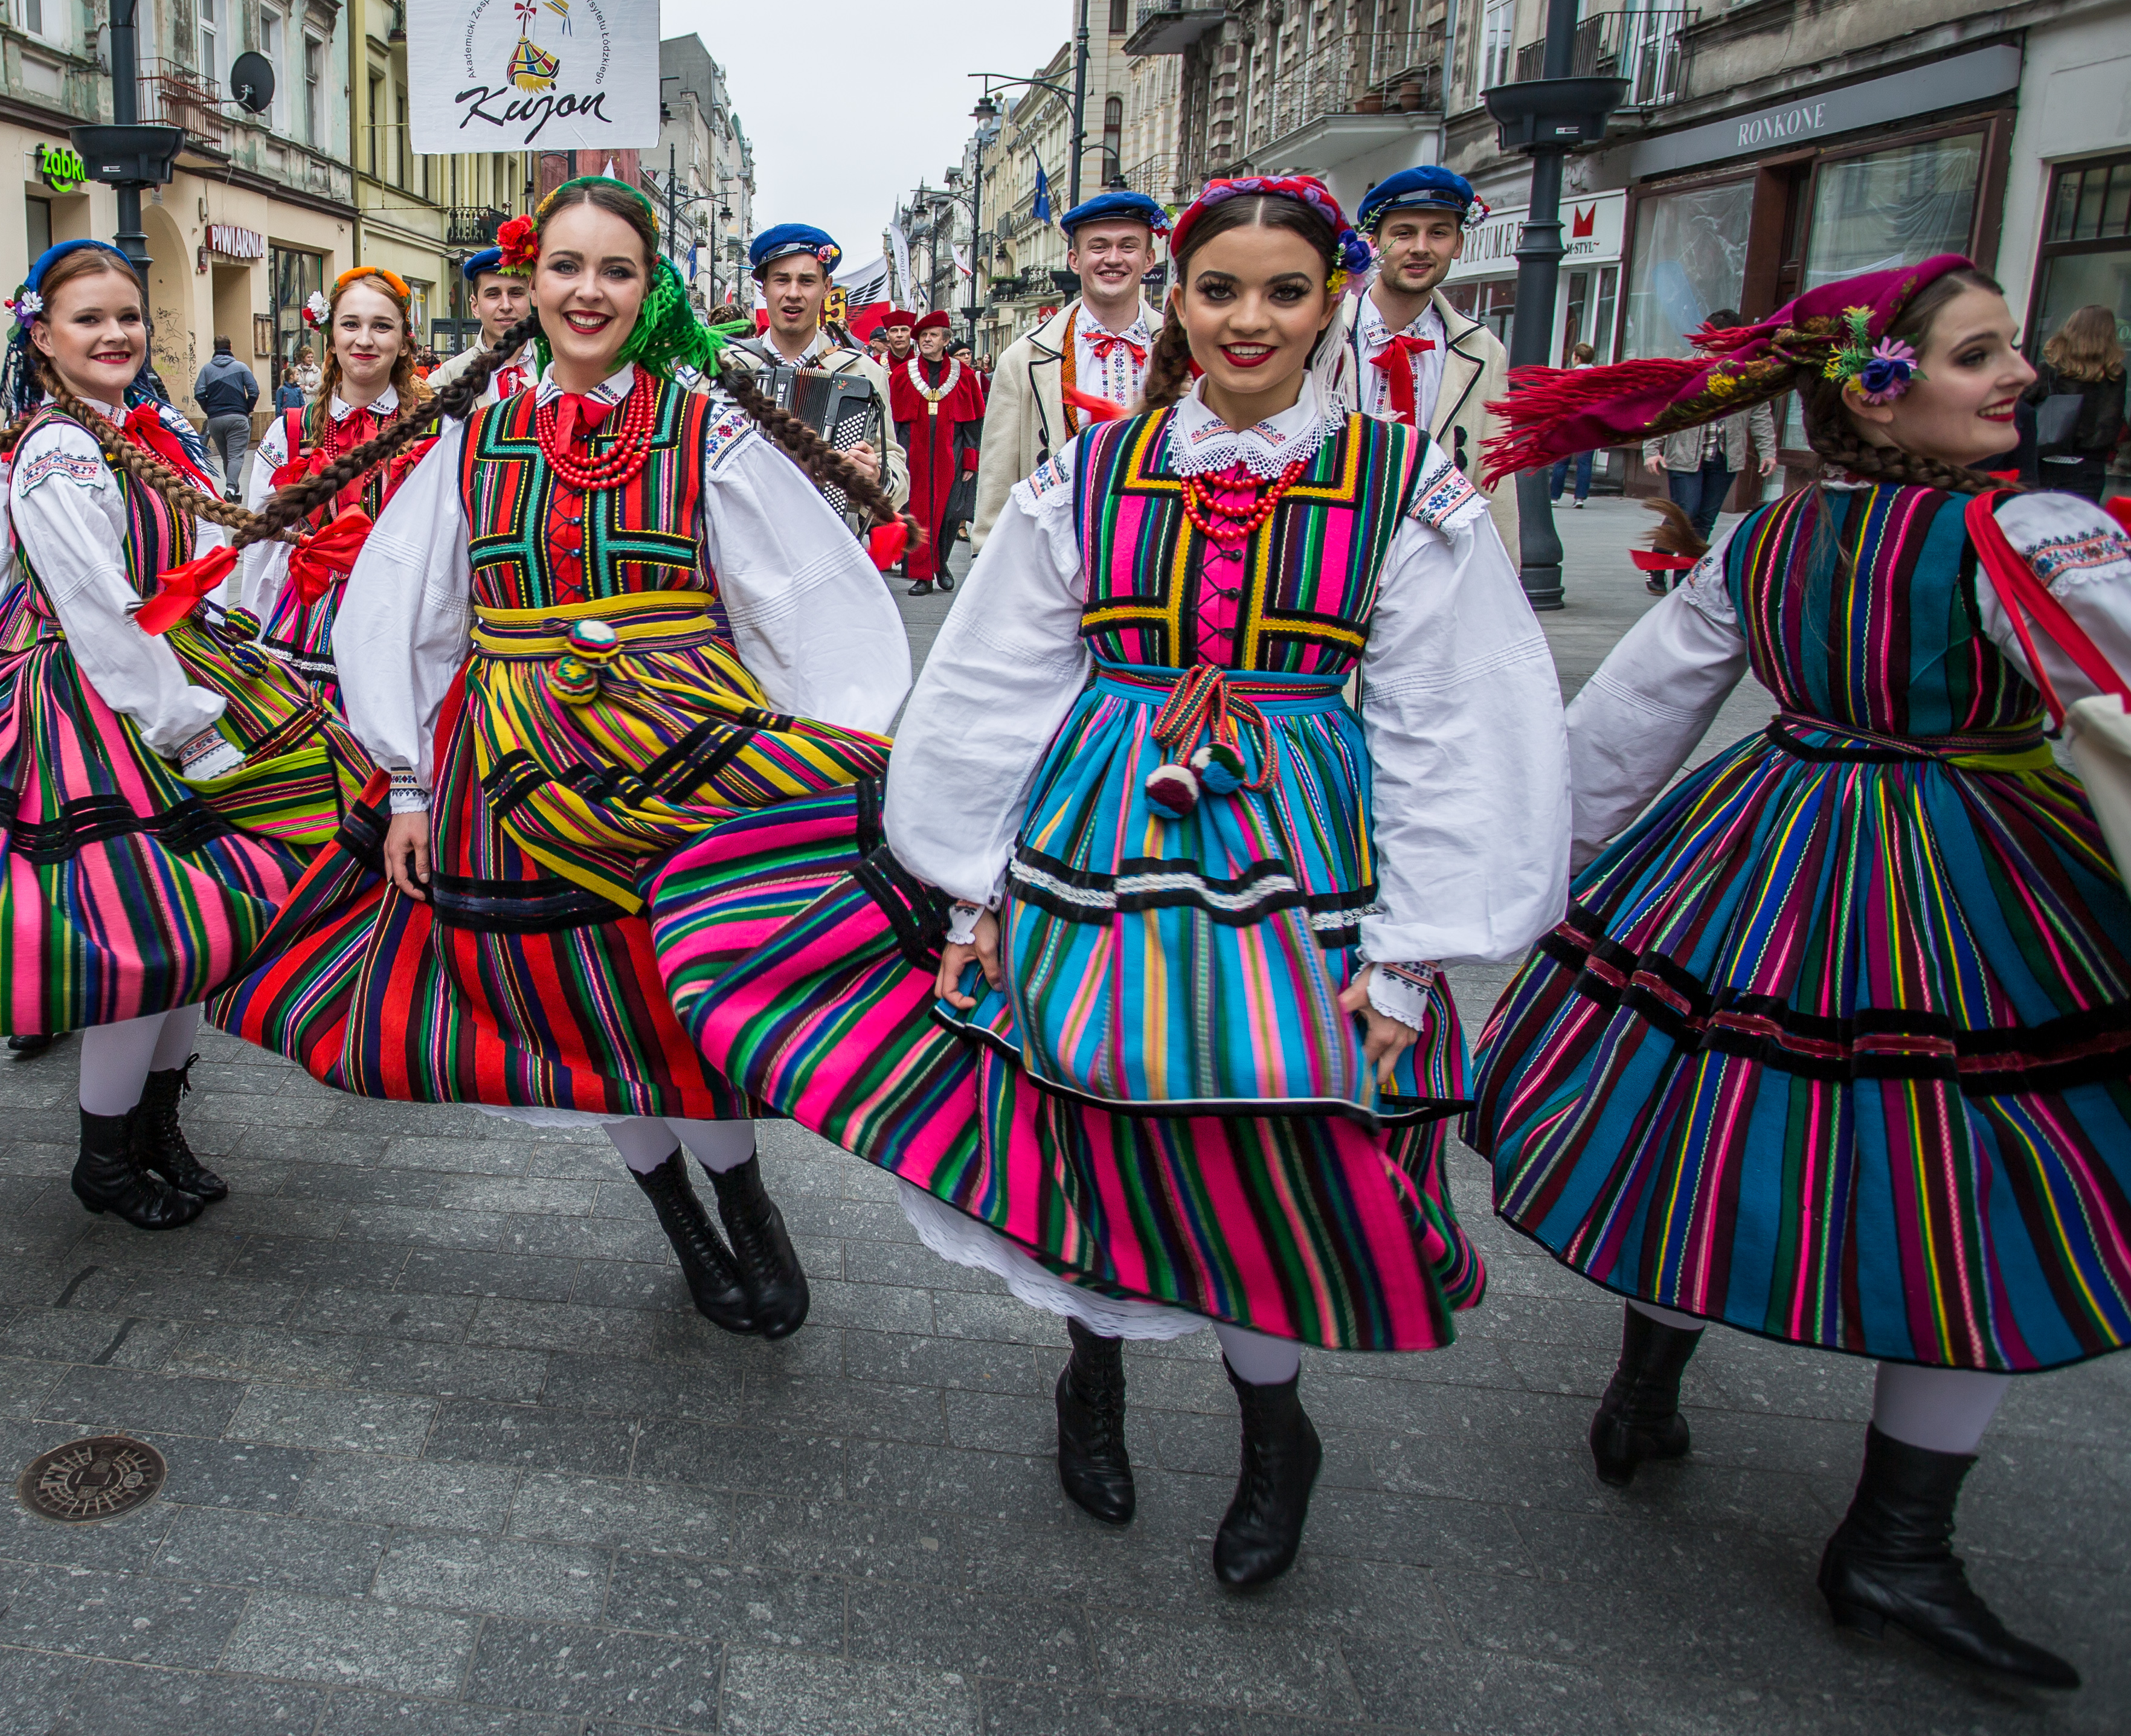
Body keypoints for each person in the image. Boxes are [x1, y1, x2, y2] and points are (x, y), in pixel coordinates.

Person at [652, 176, 1566, 1585]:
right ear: (1179, 306)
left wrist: (1416, 945)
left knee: (1275, 1147)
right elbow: (1000, 678)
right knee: (1091, 1113)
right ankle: (1094, 1375)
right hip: (1100, 835)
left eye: (1282, 290)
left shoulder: (1404, 483)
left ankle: (1275, 1427)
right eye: (1219, 291)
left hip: (1303, 852)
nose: (1247, 319)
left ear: (1331, 298)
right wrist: (971, 884)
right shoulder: (1089, 472)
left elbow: (1457, 715)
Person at [1467, 256, 2131, 1689]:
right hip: (1980, 872)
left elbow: (1637, 714)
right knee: (1990, 1187)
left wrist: (1542, 871)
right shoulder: (2029, 535)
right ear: (1877, 393)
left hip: (1767, 842)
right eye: (1974, 355)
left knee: (1706, 1126)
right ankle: (1893, 1540)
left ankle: (1650, 1387)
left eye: (2008, 349)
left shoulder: (1766, 532)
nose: (2016, 375)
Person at [216, 178, 911, 1339]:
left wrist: (848, 765)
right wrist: (406, 781)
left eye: (616, 269)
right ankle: (677, 1212)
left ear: (652, 289)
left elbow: (801, 599)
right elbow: (411, 611)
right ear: (529, 283)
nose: (588, 291)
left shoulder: (706, 425)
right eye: (565, 267)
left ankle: (742, 1194)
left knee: (677, 999)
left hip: (675, 757)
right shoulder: (469, 430)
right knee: (571, 1007)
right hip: (513, 763)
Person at [0, 242, 366, 1220]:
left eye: (127, 316)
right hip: (107, 707)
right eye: (89, 319)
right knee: (141, 940)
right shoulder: (56, 447)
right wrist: (185, 722)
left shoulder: (141, 428)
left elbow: (190, 555)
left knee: (193, 931)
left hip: (171, 673)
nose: (115, 334)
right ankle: (105, 1155)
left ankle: (157, 1125)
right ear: (42, 337)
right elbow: (96, 607)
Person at [234, 266, 434, 700]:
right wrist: (252, 620)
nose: (364, 339)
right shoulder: (292, 430)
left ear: (403, 342)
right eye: (350, 324)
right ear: (331, 338)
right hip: (308, 611)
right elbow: (261, 541)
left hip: (400, 614)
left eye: (381, 326)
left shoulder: (435, 431)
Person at [1348, 166, 1517, 557]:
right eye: (1403, 232)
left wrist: (1502, 584)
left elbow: (1495, 480)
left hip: (1434, 561)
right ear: (1374, 241)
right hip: (1334, 554)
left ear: (1457, 243)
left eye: (1438, 233)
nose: (1420, 247)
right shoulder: (1325, 336)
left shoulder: (1481, 350)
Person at [974, 191, 1165, 534]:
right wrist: (987, 556)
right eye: (1099, 247)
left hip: (1156, 542)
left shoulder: (1184, 350)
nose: (1113, 258)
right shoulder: (1023, 359)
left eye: (1128, 246)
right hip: (1058, 549)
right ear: (1075, 260)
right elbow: (998, 477)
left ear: (1149, 259)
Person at [718, 223, 910, 542]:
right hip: (738, 545)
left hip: (829, 545)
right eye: (782, 280)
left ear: (826, 287)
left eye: (807, 281)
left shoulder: (862, 373)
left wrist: (873, 477)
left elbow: (898, 476)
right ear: (763, 288)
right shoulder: (724, 367)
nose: (793, 293)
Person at [1639, 385, 1778, 594]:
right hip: (1684, 456)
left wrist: (1767, 451)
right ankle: (1658, 562)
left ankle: (1686, 577)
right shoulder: (1689, 371)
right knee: (1686, 510)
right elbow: (1663, 411)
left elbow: (1759, 414)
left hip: (1725, 458)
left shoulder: (1745, 373)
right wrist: (1652, 449)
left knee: (1705, 520)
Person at [889, 310, 983, 596]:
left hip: (950, 453)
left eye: (932, 336)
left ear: (945, 340)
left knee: (950, 514)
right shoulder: (902, 375)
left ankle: (941, 564)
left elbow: (974, 423)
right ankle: (923, 576)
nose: (926, 340)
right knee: (917, 513)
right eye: (923, 336)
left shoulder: (965, 375)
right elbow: (894, 421)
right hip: (913, 452)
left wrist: (970, 459)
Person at [2017, 301, 2126, 500]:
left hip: (2045, 457)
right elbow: (2110, 420)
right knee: (2077, 526)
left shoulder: (2050, 369)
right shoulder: (2114, 374)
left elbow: (2021, 407)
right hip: (2087, 463)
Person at [435, 245, 539, 411]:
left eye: (516, 293)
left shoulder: (557, 365)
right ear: (475, 306)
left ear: (533, 298)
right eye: (493, 295)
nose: (506, 306)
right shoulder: (447, 378)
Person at [195, 335, 260, 493]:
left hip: (215, 420)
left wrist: (209, 409)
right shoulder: (242, 367)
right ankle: (230, 489)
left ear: (215, 348)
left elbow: (199, 393)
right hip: (238, 417)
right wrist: (247, 408)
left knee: (227, 458)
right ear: (230, 346)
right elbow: (254, 391)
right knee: (236, 457)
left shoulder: (206, 369)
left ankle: (235, 491)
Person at [1546, 341, 1601, 506]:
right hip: (1589, 424)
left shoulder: (1569, 377)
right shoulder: (1599, 377)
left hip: (1569, 423)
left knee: (1562, 461)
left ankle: (1554, 496)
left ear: (1577, 358)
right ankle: (1580, 498)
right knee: (1585, 462)